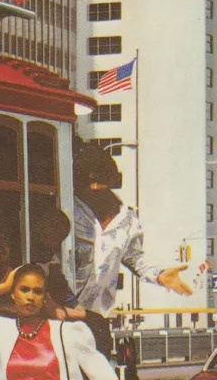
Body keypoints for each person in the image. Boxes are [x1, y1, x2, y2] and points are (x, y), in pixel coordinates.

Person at [73, 140, 192, 355]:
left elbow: (134, 258)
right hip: (63, 313)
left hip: (97, 319)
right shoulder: (68, 210)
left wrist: (160, 275)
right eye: (86, 184)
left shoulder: (127, 218)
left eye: (99, 183)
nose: (93, 189)